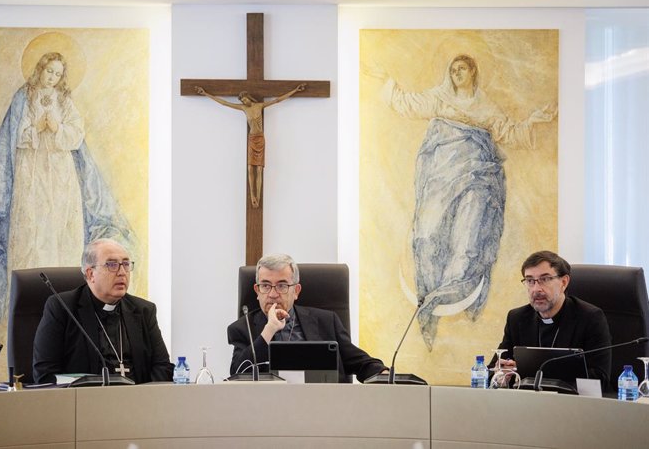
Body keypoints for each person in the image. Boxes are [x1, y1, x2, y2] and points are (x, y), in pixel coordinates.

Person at [371, 54, 557, 351]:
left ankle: (446, 298)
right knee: (427, 237)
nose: (457, 73)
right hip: (441, 177)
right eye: (453, 69)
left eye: (462, 68)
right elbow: (406, 102)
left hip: (477, 177)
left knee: (468, 242)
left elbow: (508, 132)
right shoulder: (439, 99)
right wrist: (385, 81)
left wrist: (535, 120)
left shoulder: (486, 107)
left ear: (473, 71)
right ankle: (429, 304)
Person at [0, 50, 135, 324]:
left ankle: (67, 303)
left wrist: (56, 127)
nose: (52, 77)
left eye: (57, 73)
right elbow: (13, 133)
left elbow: (75, 135)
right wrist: (34, 129)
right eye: (48, 71)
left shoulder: (65, 100)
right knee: (31, 227)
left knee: (60, 229)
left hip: (61, 171)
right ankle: (28, 303)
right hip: (31, 172)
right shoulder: (24, 96)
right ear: (39, 70)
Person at [227, 253, 387, 383]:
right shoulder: (242, 328)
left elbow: (359, 362)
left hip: (322, 407)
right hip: (268, 411)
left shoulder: (326, 322)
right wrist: (268, 331)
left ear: (296, 291)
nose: (273, 294)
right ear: (257, 291)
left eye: (282, 286)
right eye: (266, 285)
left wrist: (382, 373)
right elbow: (238, 374)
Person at [32, 238, 173, 384]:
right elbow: (45, 374)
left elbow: (162, 367)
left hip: (137, 402)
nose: (122, 272)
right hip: (85, 402)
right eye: (112, 265)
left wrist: (142, 398)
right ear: (90, 274)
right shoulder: (62, 308)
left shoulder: (144, 310)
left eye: (125, 264)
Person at [490, 250, 612, 387]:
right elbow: (492, 371)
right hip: (528, 403)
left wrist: (533, 373)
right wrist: (501, 373)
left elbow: (600, 377)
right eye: (530, 281)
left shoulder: (590, 318)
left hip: (572, 403)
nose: (536, 289)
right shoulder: (517, 318)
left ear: (564, 282)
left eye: (545, 279)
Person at [195, 84, 305, 208]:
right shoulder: (243, 108)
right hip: (252, 139)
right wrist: (206, 94)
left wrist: (295, 91)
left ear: (249, 98)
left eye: (245, 99)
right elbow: (224, 103)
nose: (244, 101)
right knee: (249, 168)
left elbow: (277, 100)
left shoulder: (259, 106)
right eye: (242, 101)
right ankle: (252, 195)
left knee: (259, 169)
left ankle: (257, 196)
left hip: (260, 139)